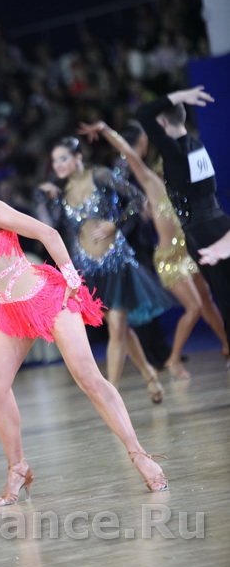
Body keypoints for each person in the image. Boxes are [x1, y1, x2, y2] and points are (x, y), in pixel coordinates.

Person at [0, 135, 168, 506]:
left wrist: (71, 278)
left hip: (47, 298)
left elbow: (48, 233)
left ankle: (140, 455)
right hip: (12, 310)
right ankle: (17, 468)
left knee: (88, 378)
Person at [78, 120, 229, 378]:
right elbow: (130, 153)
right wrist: (105, 130)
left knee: (206, 302)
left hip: (187, 254)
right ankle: (173, 360)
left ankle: (226, 345)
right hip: (168, 259)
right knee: (194, 307)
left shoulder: (182, 193)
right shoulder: (153, 185)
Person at [35, 137, 175, 403]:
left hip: (116, 263)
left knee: (118, 325)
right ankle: (149, 374)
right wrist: (43, 198)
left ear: (78, 158)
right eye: (54, 161)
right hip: (87, 269)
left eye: (63, 158)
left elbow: (137, 198)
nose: (58, 165)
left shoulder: (100, 175)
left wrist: (116, 224)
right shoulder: (61, 192)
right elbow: (49, 229)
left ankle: (111, 394)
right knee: (118, 328)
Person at [136, 85, 230, 350]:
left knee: (225, 299)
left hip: (201, 232)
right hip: (220, 223)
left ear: (162, 123)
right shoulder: (196, 144)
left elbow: (143, 113)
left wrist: (178, 96)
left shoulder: (174, 150)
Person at [113, 121, 173, 371]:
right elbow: (120, 205)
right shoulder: (122, 167)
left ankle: (161, 351)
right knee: (142, 299)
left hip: (141, 239)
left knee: (149, 297)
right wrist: (137, 211)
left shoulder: (129, 164)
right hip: (131, 242)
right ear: (141, 141)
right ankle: (153, 355)